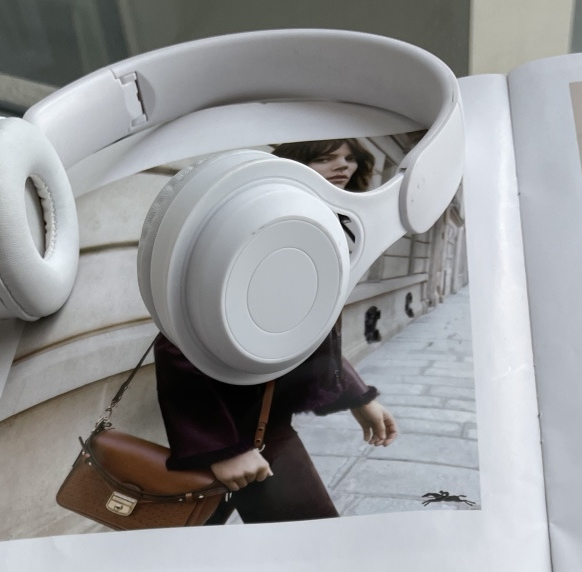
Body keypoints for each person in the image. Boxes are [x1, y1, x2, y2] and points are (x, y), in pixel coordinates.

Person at [153, 139, 399, 524]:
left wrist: (358, 397)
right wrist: (222, 447)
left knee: (192, 537)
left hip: (264, 420)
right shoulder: (264, 224)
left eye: (350, 158)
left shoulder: (322, 226)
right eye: (326, 157)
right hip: (237, 424)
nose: (344, 167)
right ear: (292, 164)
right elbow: (180, 335)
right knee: (312, 541)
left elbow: (310, 333)